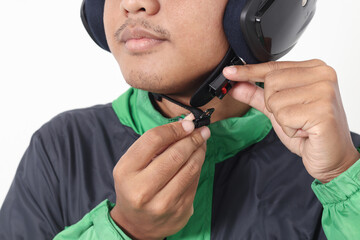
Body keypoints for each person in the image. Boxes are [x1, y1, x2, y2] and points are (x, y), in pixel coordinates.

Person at [1, 0, 360, 239]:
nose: (133, 3)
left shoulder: (344, 167)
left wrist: (344, 181)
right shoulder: (62, 148)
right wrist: (124, 230)